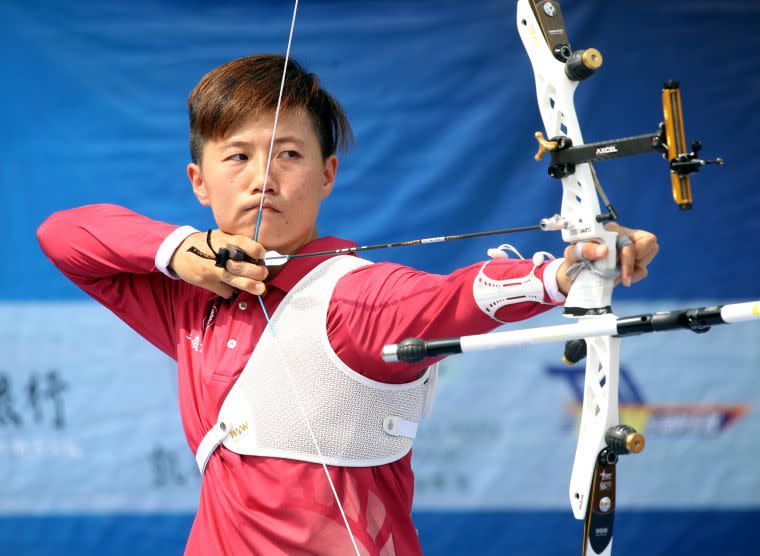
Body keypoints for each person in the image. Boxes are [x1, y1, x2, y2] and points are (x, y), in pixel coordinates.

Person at [37, 54, 658, 555]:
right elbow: (64, 235)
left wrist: (566, 270)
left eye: (289, 154)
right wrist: (181, 249)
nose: (263, 177)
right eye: (238, 156)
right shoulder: (187, 298)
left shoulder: (353, 296)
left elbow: (450, 299)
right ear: (198, 182)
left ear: (327, 175)